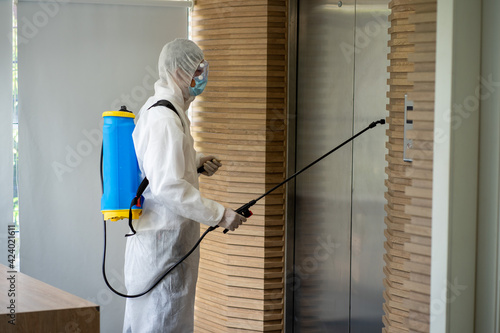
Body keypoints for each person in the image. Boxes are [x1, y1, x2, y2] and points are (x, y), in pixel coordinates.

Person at [123, 38, 247, 333]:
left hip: (165, 243)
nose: (201, 77)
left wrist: (196, 162)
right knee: (161, 321)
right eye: (197, 70)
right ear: (178, 71)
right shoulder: (164, 117)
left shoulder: (169, 109)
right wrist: (221, 214)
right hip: (162, 247)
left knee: (160, 320)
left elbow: (160, 168)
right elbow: (167, 187)